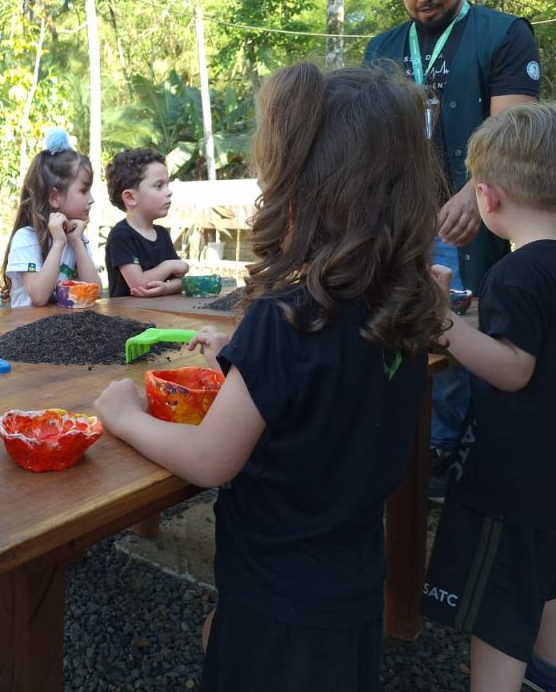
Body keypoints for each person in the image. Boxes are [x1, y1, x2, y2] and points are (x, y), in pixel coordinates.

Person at [94, 63, 448, 691]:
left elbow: (209, 459)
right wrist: (245, 349)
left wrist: (124, 414)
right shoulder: (405, 307)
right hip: (351, 586)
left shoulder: (287, 320)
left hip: (275, 597)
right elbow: (336, 385)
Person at [364, 0, 541, 501]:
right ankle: (395, 443)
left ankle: (447, 451)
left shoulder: (503, 35)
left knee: (463, 328)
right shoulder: (383, 48)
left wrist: (474, 188)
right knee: (389, 324)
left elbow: (511, 132)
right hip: (397, 219)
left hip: (469, 214)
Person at [420, 102, 556, 692]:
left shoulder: (517, 272)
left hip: (513, 485)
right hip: (550, 481)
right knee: (544, 587)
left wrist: (439, 323)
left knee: (499, 616)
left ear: (488, 196)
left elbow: (514, 367)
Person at [1, 128, 102, 307]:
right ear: (55, 197)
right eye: (83, 190)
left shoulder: (76, 237)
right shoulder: (26, 238)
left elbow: (95, 291)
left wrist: (77, 243)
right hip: (28, 331)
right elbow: (38, 297)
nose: (91, 199)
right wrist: (58, 244)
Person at [103, 148, 189, 298]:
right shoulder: (121, 235)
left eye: (167, 184)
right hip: (126, 317)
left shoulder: (162, 234)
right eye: (159, 186)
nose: (169, 192)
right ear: (130, 197)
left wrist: (166, 288)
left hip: (160, 316)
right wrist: (169, 266)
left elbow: (182, 281)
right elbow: (139, 285)